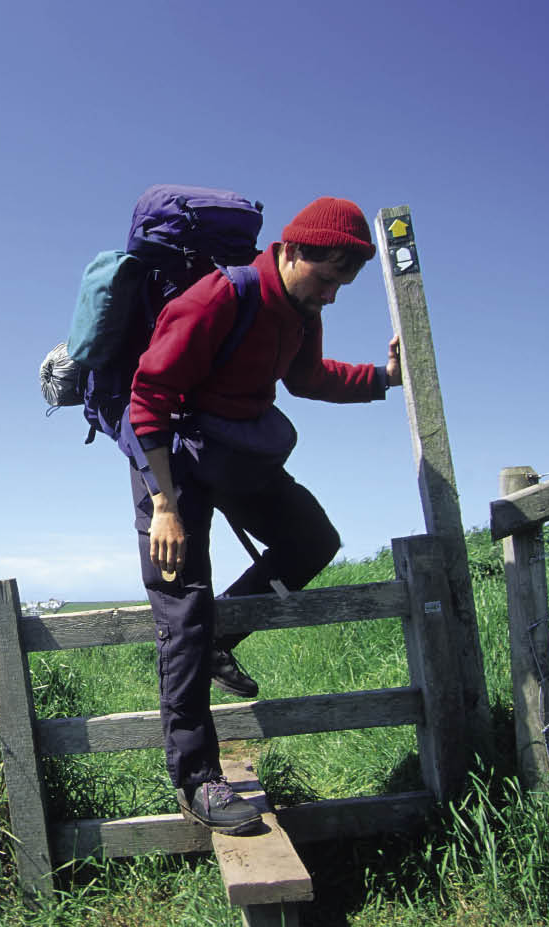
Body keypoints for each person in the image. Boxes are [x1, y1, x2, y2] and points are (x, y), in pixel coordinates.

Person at [126, 197, 403, 834]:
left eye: (344, 285)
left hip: (234, 449)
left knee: (312, 539)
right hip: (167, 456)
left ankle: (221, 639)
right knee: (183, 603)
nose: (332, 296)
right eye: (328, 278)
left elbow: (307, 380)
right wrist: (164, 505)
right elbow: (148, 396)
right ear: (292, 250)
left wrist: (384, 378)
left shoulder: (301, 311)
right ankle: (197, 780)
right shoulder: (219, 298)